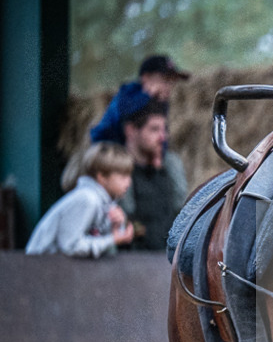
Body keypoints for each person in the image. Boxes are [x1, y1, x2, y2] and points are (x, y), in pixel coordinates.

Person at [26, 142, 135, 257]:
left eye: (129, 176)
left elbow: (101, 247)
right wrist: (111, 240)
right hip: (40, 263)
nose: (129, 182)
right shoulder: (87, 199)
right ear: (102, 176)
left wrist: (116, 228)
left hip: (62, 265)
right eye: (123, 176)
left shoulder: (107, 202)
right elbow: (70, 246)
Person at [120, 100, 189, 250]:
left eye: (164, 130)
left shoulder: (170, 165)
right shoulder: (117, 171)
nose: (162, 137)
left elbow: (180, 209)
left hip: (166, 257)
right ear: (131, 130)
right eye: (154, 129)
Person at [89, 54, 190, 145]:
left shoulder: (161, 104)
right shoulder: (128, 93)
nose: (169, 86)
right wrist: (148, 95)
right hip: (107, 148)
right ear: (146, 78)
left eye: (172, 81)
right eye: (165, 80)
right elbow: (126, 115)